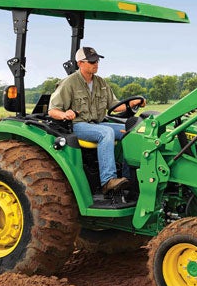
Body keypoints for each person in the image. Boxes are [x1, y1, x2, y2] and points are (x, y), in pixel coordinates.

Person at [48, 47, 145, 194]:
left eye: (97, 60)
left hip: (97, 123)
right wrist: (64, 114)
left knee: (132, 131)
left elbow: (114, 106)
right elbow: (52, 110)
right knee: (105, 133)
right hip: (78, 125)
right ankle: (108, 181)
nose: (96, 64)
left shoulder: (101, 83)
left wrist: (132, 103)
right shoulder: (69, 83)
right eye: (92, 61)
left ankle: (128, 179)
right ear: (80, 63)